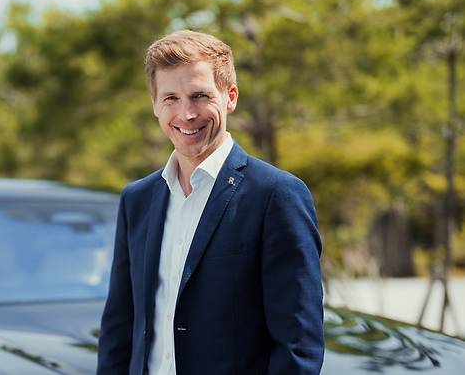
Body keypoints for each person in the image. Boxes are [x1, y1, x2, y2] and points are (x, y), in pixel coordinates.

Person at [97, 30, 324, 375]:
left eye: (199, 96)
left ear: (230, 97)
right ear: (155, 104)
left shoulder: (277, 196)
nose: (186, 114)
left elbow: (298, 345)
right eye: (170, 98)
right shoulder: (137, 200)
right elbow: (119, 330)